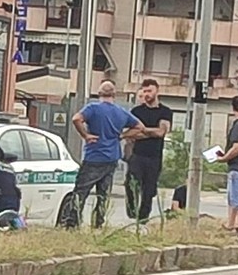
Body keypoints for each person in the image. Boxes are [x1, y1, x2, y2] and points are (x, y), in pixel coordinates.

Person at [64, 81, 148, 229]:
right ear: (114, 95)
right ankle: (98, 223)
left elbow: (76, 119)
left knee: (81, 192)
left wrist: (86, 135)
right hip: (112, 158)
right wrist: (123, 135)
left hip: (94, 157)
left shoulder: (93, 108)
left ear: (99, 93)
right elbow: (140, 127)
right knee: (103, 194)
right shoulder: (121, 112)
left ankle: (73, 223)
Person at [124, 78, 173, 223]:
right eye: (144, 91)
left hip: (154, 157)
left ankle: (143, 219)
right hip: (137, 155)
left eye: (149, 91)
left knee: (149, 190)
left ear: (157, 91)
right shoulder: (136, 111)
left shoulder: (165, 111)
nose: (146, 94)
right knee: (131, 184)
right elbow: (129, 134)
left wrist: (143, 130)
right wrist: (147, 133)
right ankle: (132, 213)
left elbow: (161, 132)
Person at [215, 95, 238, 238]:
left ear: (233, 107)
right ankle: (230, 223)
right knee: (233, 196)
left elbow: (237, 148)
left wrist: (223, 158)